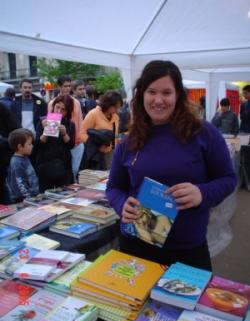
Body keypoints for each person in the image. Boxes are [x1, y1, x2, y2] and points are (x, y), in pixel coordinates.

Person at [106, 60, 237, 271]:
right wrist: (121, 204)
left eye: (167, 92)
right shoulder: (129, 141)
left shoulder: (204, 133)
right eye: (151, 92)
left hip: (187, 251)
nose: (158, 100)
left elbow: (228, 179)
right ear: (141, 95)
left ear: (178, 95)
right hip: (136, 246)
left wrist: (201, 193)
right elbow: (113, 187)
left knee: (187, 304)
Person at [36, 95, 75, 192]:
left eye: (63, 109)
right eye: (57, 107)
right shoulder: (43, 121)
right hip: (46, 164)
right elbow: (38, 144)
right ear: (53, 106)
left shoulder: (70, 124)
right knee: (46, 196)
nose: (59, 111)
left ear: (67, 112)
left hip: (63, 164)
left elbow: (71, 145)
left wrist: (65, 134)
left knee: (65, 194)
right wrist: (46, 131)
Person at [48, 75, 83, 182]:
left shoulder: (76, 102)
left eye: (69, 86)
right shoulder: (53, 103)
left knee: (75, 170)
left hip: (76, 142)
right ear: (59, 87)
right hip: (59, 144)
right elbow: (51, 125)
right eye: (65, 86)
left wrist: (79, 139)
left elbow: (79, 121)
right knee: (63, 170)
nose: (68, 88)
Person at [80, 90, 123, 170]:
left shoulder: (115, 117)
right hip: (97, 154)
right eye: (115, 107)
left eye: (118, 107)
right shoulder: (93, 114)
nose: (117, 110)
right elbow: (82, 133)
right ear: (108, 104)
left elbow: (115, 134)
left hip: (112, 153)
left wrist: (119, 138)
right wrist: (96, 146)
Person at [6, 128, 39, 203]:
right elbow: (20, 186)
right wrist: (30, 200)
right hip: (24, 202)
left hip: (32, 199)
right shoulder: (16, 163)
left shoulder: (25, 157)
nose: (32, 146)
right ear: (20, 147)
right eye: (29, 144)